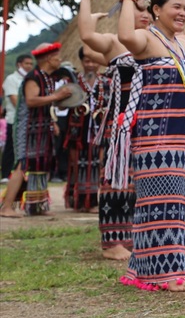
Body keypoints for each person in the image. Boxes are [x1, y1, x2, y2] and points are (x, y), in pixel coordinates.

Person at [110, 0, 185, 292]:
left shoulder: (183, 45)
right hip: (154, 139)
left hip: (180, 139)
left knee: (175, 206)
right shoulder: (147, 39)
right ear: (156, 10)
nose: (183, 13)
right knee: (157, 205)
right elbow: (124, 36)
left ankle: (160, 268)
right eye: (177, 7)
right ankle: (162, 274)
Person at [76, 0, 149, 259]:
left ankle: (132, 236)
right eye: (138, 9)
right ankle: (112, 242)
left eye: (148, 11)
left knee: (138, 183)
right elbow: (85, 37)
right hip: (121, 126)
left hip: (150, 125)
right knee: (117, 182)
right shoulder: (115, 44)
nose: (144, 15)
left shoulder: (156, 42)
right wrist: (85, 1)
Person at [0, 43, 71, 217]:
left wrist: (52, 120)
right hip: (27, 128)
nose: (59, 59)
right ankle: (6, 207)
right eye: (57, 56)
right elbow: (31, 101)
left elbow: (46, 102)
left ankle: (36, 205)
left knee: (41, 163)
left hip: (41, 127)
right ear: (48, 58)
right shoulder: (34, 77)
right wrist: (57, 96)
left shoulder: (47, 77)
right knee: (22, 164)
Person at [63, 47, 111, 212]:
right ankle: (79, 200)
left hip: (100, 129)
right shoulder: (73, 82)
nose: (91, 65)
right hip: (78, 130)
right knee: (78, 164)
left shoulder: (107, 82)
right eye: (87, 61)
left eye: (94, 61)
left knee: (97, 164)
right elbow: (61, 104)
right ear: (82, 62)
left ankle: (92, 201)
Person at [2, 54, 34, 181]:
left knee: (23, 148)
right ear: (19, 64)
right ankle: (5, 174)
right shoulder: (11, 79)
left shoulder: (30, 79)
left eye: (31, 64)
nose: (29, 66)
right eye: (27, 63)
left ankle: (21, 173)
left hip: (27, 120)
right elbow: (15, 100)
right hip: (13, 119)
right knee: (11, 147)